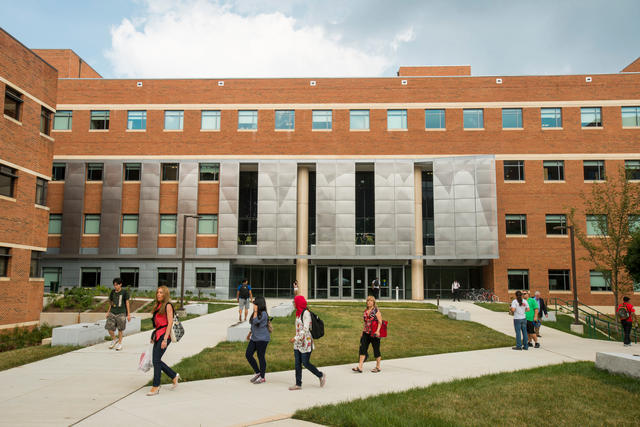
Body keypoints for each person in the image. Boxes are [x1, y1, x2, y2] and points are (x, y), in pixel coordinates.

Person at [147, 285, 180, 396]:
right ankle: (173, 376)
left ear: (165, 294)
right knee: (156, 360)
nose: (158, 294)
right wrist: (154, 335)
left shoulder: (168, 305)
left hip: (165, 335)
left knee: (156, 360)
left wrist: (165, 339)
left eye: (161, 292)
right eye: (157, 292)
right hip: (158, 334)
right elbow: (157, 324)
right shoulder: (158, 305)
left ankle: (156, 386)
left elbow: (169, 323)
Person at [289, 295, 326, 390]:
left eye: (295, 302)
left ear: (298, 303)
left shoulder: (306, 313)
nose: (293, 304)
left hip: (306, 342)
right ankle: (298, 384)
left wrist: (295, 338)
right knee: (297, 364)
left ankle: (320, 375)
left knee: (305, 363)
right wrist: (297, 339)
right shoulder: (298, 313)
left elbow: (305, 329)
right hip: (298, 343)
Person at [352, 296, 383, 373]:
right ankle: (360, 367)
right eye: (368, 300)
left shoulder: (376, 311)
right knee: (363, 349)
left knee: (376, 350)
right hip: (366, 333)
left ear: (373, 302)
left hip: (374, 334)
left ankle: (378, 367)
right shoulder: (365, 311)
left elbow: (380, 322)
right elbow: (365, 322)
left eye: (371, 301)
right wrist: (362, 332)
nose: (369, 302)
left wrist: (378, 331)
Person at [246, 296, 270, 384]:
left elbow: (255, 321)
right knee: (248, 354)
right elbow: (252, 324)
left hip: (263, 339)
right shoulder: (255, 313)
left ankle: (263, 377)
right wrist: (249, 334)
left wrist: (255, 311)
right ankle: (258, 372)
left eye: (255, 303)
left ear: (259, 304)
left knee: (261, 357)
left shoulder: (263, 314)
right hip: (254, 338)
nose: (253, 304)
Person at [105, 277, 131, 351]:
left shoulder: (124, 292)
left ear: (120, 284)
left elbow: (127, 303)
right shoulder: (112, 292)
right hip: (112, 312)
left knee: (120, 329)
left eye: (117, 285)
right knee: (109, 328)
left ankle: (119, 343)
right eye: (114, 285)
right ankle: (114, 339)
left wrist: (128, 314)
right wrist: (108, 312)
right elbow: (111, 303)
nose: (115, 286)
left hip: (121, 313)